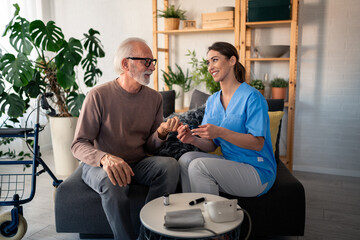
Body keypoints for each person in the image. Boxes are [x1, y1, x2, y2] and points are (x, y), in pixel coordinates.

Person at [71, 37, 180, 240]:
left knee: (170, 165)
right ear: (125, 64)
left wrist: (161, 133)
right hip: (100, 165)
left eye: (153, 62)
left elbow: (150, 145)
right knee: (112, 180)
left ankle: (148, 236)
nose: (152, 68)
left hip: (136, 163)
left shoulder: (154, 98)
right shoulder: (97, 96)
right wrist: (104, 158)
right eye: (146, 62)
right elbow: (78, 144)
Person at [177, 42, 276, 198]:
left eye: (215, 60)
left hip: (257, 170)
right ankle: (193, 210)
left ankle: (211, 218)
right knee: (185, 159)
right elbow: (210, 145)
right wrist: (192, 140)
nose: (210, 67)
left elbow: (257, 143)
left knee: (198, 166)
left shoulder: (252, 97)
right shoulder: (213, 101)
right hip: (229, 163)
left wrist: (220, 132)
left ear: (232, 60)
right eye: (208, 62)